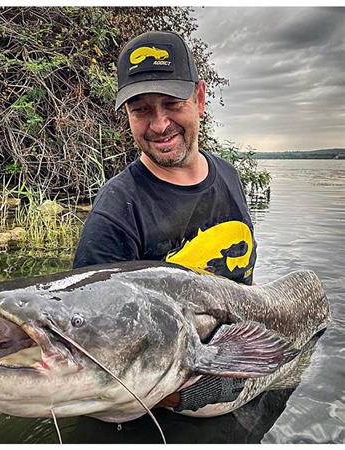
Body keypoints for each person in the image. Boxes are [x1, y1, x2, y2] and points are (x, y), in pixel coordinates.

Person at [73, 31, 255, 412]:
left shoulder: (230, 177)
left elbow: (247, 292)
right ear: (127, 115)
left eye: (172, 103)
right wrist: (187, 394)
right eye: (140, 109)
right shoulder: (116, 211)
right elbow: (95, 348)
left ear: (200, 99)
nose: (159, 125)